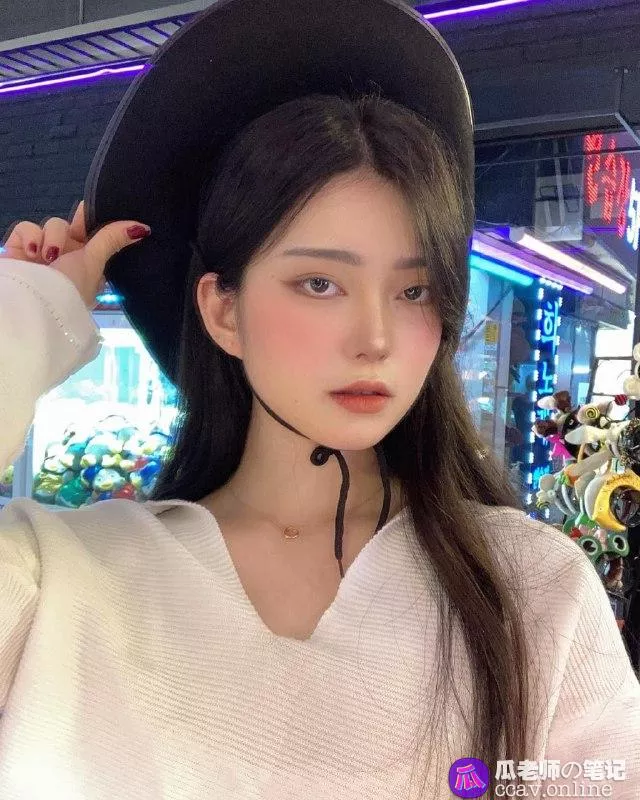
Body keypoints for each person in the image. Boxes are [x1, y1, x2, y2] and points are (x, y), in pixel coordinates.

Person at [0, 1, 639, 798]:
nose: (375, 337)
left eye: (413, 290)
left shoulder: (531, 591)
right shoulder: (58, 580)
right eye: (319, 283)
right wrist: (28, 312)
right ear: (223, 311)